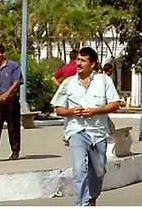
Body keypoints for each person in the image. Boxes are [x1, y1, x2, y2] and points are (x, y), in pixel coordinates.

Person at [51, 47, 121, 206]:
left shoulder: (104, 81)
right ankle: (81, 204)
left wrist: (96, 111)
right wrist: (71, 111)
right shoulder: (68, 83)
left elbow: (115, 104)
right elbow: (58, 109)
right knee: (79, 170)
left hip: (98, 133)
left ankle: (92, 197)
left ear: (93, 63)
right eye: (78, 60)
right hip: (77, 131)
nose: (78, 63)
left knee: (98, 171)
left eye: (83, 60)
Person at [52, 50, 80, 145]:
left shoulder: (65, 68)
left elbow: (53, 77)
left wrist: (60, 86)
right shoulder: (78, 68)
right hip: (76, 93)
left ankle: (66, 134)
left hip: (65, 94)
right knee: (75, 113)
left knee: (65, 114)